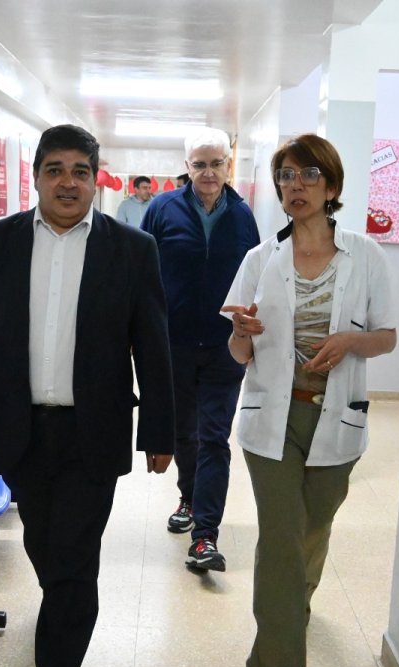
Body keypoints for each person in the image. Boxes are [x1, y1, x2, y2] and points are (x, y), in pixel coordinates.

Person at [0, 124, 175, 667]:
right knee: (46, 547)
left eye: (80, 171)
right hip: (20, 428)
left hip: (94, 430)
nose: (68, 182)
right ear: (36, 176)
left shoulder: (132, 249)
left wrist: (160, 432)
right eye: (56, 170)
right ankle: (60, 612)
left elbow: (153, 346)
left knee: (74, 558)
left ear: (96, 180)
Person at [221, 134, 397, 667]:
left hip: (336, 416)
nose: (295, 186)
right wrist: (241, 333)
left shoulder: (365, 256)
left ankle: (290, 609)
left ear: (332, 186)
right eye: (286, 176)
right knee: (280, 539)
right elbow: (239, 351)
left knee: (311, 530)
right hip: (272, 418)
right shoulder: (259, 259)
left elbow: (387, 337)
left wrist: (350, 341)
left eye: (308, 176)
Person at [141, 128, 261, 572]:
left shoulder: (243, 216)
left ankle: (205, 535)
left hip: (225, 345)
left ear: (229, 166)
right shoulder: (161, 210)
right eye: (199, 164)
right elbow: (140, 273)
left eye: (216, 164)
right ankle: (188, 498)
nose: (208, 172)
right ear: (187, 167)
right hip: (172, 343)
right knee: (183, 433)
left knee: (214, 435)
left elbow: (257, 277)